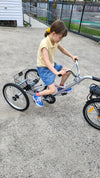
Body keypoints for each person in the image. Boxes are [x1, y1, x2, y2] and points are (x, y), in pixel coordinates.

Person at [33, 20, 78, 107]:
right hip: (44, 68)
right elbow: (46, 61)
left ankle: (61, 87)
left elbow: (62, 50)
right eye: (60, 37)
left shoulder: (55, 41)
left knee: (68, 71)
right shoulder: (45, 44)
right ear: (53, 34)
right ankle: (37, 95)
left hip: (52, 65)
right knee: (52, 90)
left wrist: (72, 56)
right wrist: (56, 72)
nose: (61, 39)